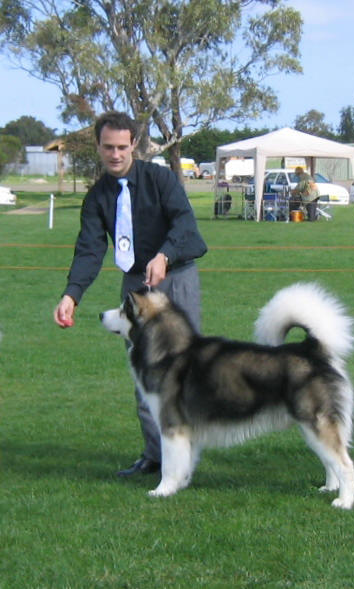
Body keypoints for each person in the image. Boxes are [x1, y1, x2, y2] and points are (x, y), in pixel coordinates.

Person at [54, 111, 208, 477]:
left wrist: (164, 254)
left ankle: (184, 456)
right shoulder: (97, 197)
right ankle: (156, 456)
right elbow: (90, 249)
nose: (116, 155)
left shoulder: (160, 179)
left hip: (177, 277)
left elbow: (185, 222)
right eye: (108, 147)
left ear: (134, 145)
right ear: (98, 146)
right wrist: (72, 295)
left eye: (123, 147)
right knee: (145, 373)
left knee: (183, 369)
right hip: (135, 285)